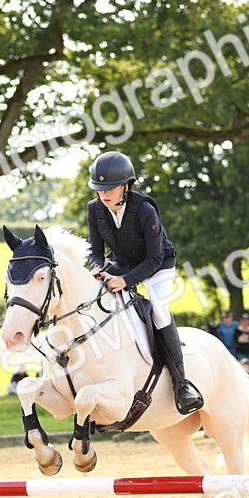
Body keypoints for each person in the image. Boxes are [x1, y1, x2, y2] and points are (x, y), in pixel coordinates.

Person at [87, 150, 203, 414]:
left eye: (110, 189)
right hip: (122, 263)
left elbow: (153, 258)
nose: (103, 195)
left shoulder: (145, 210)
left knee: (159, 310)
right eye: (99, 189)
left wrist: (125, 280)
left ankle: (181, 383)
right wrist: (97, 268)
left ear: (126, 186)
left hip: (158, 265)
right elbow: (95, 250)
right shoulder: (94, 209)